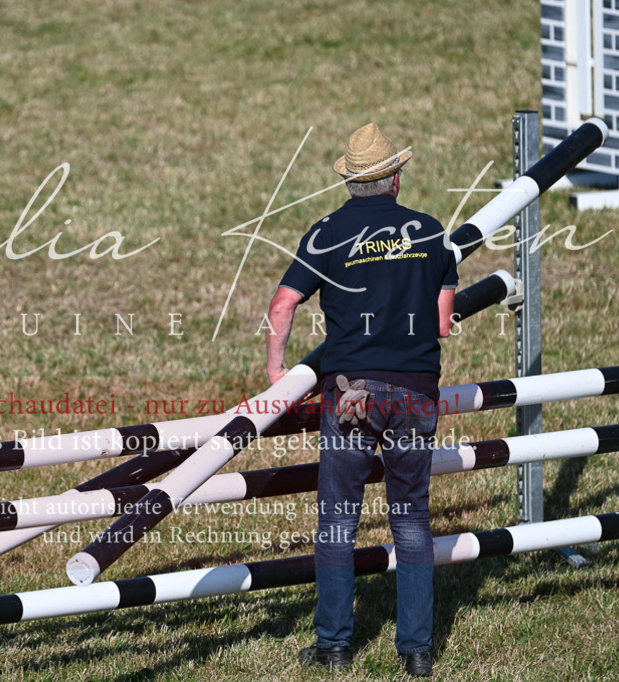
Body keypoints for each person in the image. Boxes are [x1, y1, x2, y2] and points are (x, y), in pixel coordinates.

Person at [264, 123, 457, 676]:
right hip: (416, 393)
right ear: (395, 178)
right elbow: (442, 323)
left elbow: (283, 306)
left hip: (350, 394)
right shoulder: (430, 231)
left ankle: (334, 646)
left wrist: (279, 372)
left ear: (351, 183)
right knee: (412, 521)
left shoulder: (327, 232)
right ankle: (417, 652)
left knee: (338, 522)